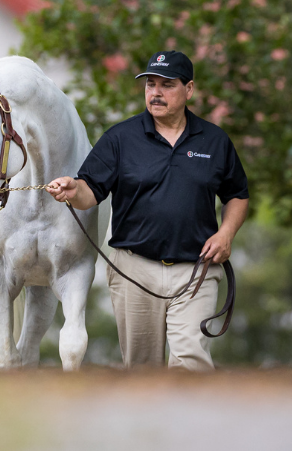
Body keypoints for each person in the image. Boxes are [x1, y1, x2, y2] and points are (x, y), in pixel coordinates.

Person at [46, 50, 249, 370]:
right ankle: (152, 420)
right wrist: (73, 190)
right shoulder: (120, 138)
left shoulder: (214, 141)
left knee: (192, 363)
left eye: (167, 85)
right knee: (142, 370)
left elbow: (237, 195)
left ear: (189, 89)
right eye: (150, 84)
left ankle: (189, 420)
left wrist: (226, 233)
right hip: (133, 269)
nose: (156, 92)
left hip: (196, 269)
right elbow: (89, 191)